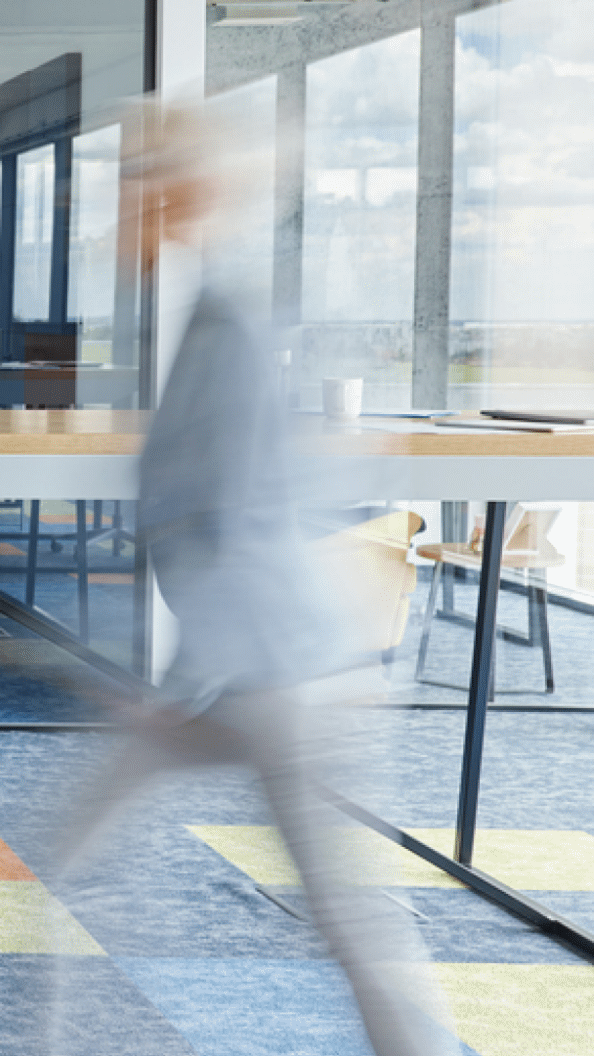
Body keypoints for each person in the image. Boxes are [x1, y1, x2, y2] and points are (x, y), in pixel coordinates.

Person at [37, 101, 452, 1056]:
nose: (117, 204)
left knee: (350, 920)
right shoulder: (206, 313)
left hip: (286, 680)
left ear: (177, 195)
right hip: (251, 671)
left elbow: (231, 525)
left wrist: (178, 690)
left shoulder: (225, 323)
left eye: (137, 182)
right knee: (63, 854)